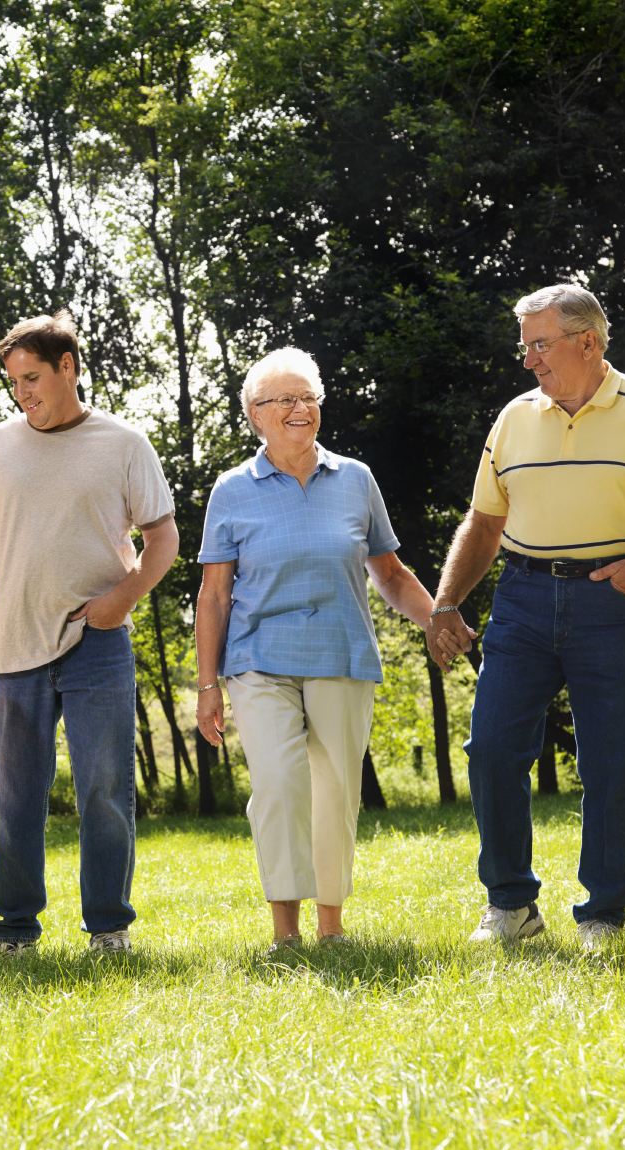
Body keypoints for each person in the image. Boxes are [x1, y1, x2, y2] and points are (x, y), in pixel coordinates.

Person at [430, 284, 625, 950]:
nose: (529, 360)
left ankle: (602, 914)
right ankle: (510, 906)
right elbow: (484, 522)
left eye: (541, 344)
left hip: (613, 603)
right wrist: (447, 603)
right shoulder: (514, 418)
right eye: (525, 346)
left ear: (587, 341)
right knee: (493, 750)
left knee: (611, 763)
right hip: (524, 601)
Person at [0, 310, 179, 956]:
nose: (24, 395)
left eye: (33, 379)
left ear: (68, 368)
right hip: (15, 648)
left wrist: (121, 599)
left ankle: (108, 927)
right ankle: (16, 931)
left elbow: (163, 538)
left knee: (104, 790)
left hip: (97, 645)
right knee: (17, 800)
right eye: (14, 384)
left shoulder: (123, 443)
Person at [194, 347, 435, 952]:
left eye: (309, 398)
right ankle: (285, 934)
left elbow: (391, 572)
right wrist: (206, 686)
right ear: (255, 414)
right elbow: (215, 596)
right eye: (285, 399)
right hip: (257, 659)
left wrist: (440, 619)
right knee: (278, 785)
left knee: (336, 793)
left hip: (341, 652)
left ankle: (331, 930)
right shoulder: (232, 490)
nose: (300, 409)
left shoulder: (355, 479)